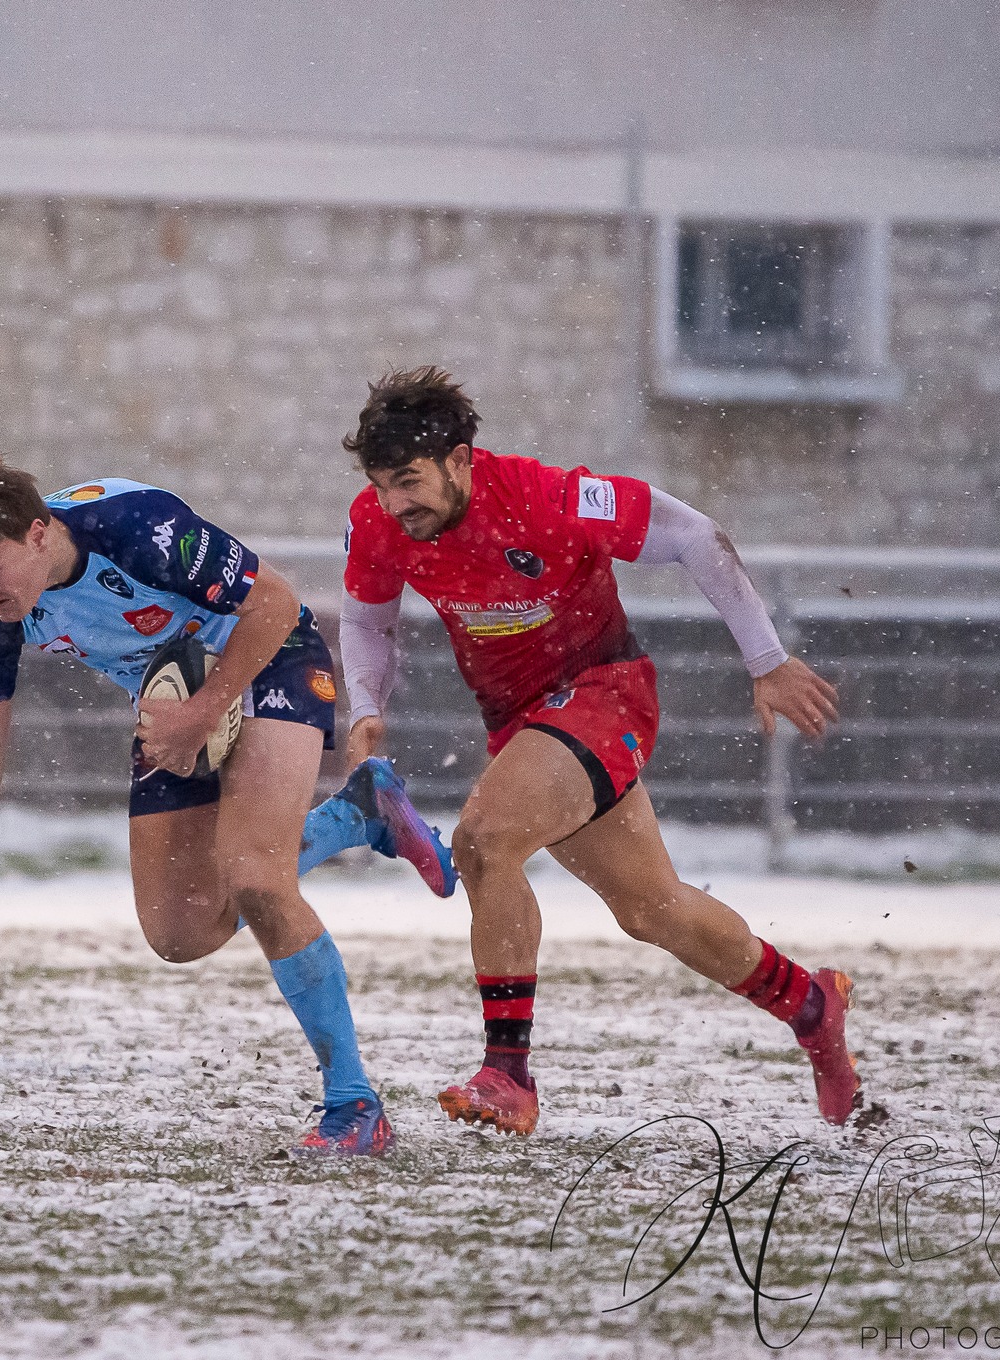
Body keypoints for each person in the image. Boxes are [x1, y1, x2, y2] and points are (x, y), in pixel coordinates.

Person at [336, 366, 855, 1134]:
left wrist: (767, 660)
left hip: (605, 694)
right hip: (523, 723)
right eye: (381, 485)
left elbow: (693, 535)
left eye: (408, 482)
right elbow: (366, 620)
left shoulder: (552, 498)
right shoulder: (377, 522)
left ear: (460, 459)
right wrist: (367, 711)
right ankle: (811, 1004)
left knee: (483, 843)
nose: (393, 504)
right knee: (655, 910)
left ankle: (507, 1074)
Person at [0, 458, 455, 1156]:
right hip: (173, 697)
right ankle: (358, 812)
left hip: (270, 658)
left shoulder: (138, 529)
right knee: (179, 932)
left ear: (37, 533)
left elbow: (275, 602)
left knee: (256, 876)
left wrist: (203, 710)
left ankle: (355, 1105)